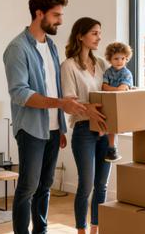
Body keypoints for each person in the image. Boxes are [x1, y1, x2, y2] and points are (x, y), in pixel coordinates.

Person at [3, 0, 103, 234]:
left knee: (45, 185)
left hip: (53, 128)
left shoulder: (52, 47)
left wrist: (60, 124)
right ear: (39, 14)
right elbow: (20, 93)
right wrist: (60, 105)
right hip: (31, 129)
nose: (61, 20)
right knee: (28, 186)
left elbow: (56, 87)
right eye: (56, 15)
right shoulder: (17, 48)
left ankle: (42, 231)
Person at [60, 17, 113, 234]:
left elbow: (114, 86)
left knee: (102, 184)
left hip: (105, 129)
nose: (99, 37)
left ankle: (95, 229)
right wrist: (87, 108)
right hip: (84, 130)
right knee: (86, 185)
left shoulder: (101, 63)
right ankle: (81, 230)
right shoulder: (68, 66)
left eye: (99, 33)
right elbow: (68, 103)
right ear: (80, 36)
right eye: (94, 33)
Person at [99, 42, 134, 162]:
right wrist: (114, 89)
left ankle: (112, 147)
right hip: (109, 101)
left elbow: (122, 89)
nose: (120, 61)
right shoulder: (108, 72)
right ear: (110, 59)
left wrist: (112, 89)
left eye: (123, 58)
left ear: (126, 58)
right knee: (104, 118)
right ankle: (106, 141)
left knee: (113, 125)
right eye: (116, 58)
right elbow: (104, 87)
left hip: (121, 103)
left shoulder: (127, 73)